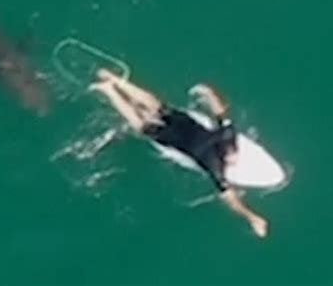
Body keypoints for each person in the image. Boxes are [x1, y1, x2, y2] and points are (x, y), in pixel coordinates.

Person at [89, 68, 268, 238]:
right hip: (172, 138)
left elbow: (220, 112)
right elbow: (231, 200)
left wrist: (209, 93)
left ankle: (114, 81)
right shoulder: (215, 166)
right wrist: (251, 217)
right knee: (140, 123)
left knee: (155, 105)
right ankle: (109, 89)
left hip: (181, 123)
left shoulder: (226, 137)